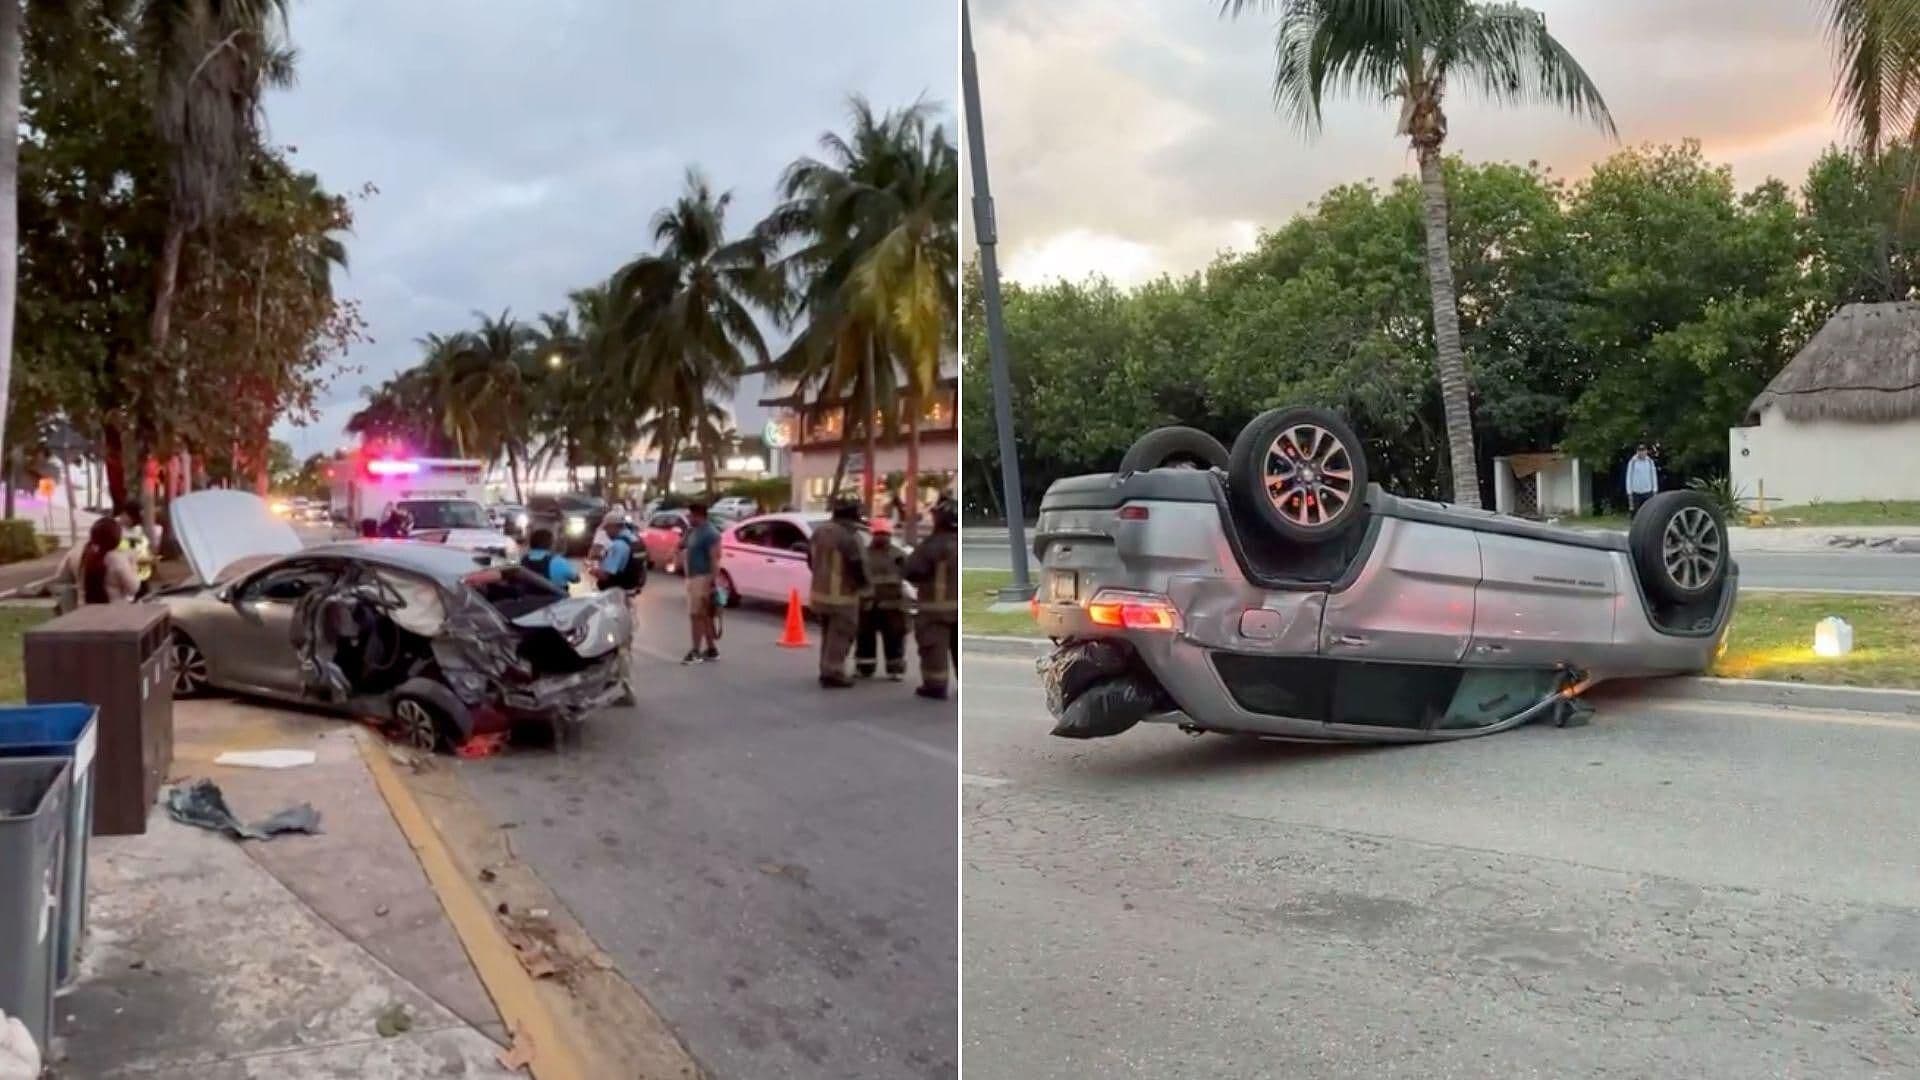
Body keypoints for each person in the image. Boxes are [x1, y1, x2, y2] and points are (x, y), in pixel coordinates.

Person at [807, 496, 869, 688]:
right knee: (841, 634)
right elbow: (857, 565)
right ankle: (833, 672)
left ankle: (825, 668)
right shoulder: (848, 536)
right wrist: (864, 587)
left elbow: (809, 559)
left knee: (829, 634)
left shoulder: (819, 532)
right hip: (842, 597)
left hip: (819, 594)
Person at [904, 500, 959, 700]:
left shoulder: (931, 545)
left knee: (933, 649)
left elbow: (910, 570)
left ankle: (935, 685)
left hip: (935, 610)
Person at [855, 517, 909, 680]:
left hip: (873, 604)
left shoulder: (865, 554)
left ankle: (867, 668)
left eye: (883, 534)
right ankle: (891, 670)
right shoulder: (898, 554)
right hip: (885, 605)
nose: (882, 537)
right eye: (881, 534)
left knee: (870, 638)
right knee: (883, 638)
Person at [680, 501, 724, 664]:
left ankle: (695, 651)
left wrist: (712, 582)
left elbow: (715, 559)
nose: (688, 518)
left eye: (690, 515)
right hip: (693, 577)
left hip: (702, 578)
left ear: (698, 515)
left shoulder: (710, 534)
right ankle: (711, 649)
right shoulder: (694, 531)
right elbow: (682, 545)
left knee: (696, 616)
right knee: (704, 616)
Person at [76, 517, 139, 605]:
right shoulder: (117, 559)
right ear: (116, 538)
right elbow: (133, 589)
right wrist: (133, 562)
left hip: (87, 611)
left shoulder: (85, 555)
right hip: (115, 613)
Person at [594, 515, 645, 596]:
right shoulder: (636, 539)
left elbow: (605, 576)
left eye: (607, 528)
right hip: (632, 585)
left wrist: (592, 570)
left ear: (614, 526)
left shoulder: (618, 545)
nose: (606, 532)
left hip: (616, 590)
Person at [1626, 444, 1659, 515]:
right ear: (1637, 452)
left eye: (1643, 451)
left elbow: (1653, 476)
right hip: (1636, 492)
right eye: (1640, 451)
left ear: (1646, 451)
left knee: (1648, 513)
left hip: (1648, 492)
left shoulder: (1650, 462)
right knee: (1635, 513)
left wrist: (1655, 490)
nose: (1642, 453)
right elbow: (1629, 477)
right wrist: (1629, 492)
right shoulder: (1632, 462)